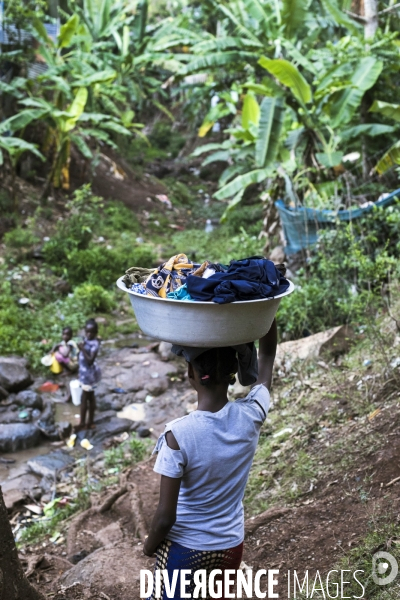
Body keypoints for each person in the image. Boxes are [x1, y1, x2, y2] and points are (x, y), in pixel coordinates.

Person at [143, 319, 278, 600]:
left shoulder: (177, 434)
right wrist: (267, 307)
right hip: (230, 546)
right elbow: (267, 354)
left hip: (186, 550)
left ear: (191, 372)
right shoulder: (252, 414)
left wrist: (148, 547)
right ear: (232, 373)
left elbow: (165, 518)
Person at [76, 318, 101, 431]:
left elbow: (90, 360)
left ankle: (83, 422)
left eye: (91, 332)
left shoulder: (95, 344)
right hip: (84, 374)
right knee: (90, 398)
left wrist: (82, 349)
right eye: (87, 331)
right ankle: (90, 421)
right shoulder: (86, 339)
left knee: (84, 398)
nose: (88, 334)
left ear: (96, 333)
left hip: (89, 376)